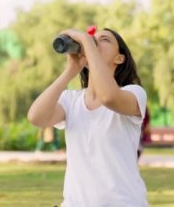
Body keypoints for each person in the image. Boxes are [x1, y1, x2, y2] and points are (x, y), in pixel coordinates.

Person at [28, 27, 148, 206]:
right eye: (93, 39)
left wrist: (85, 40)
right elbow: (36, 117)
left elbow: (108, 97)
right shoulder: (71, 100)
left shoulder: (134, 93)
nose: (94, 42)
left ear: (119, 58)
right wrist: (71, 70)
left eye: (104, 39)